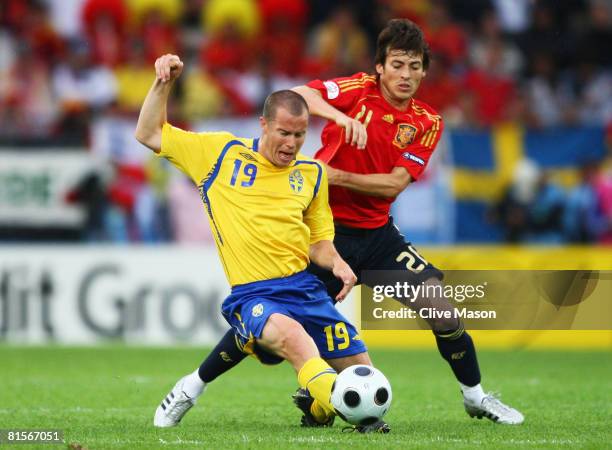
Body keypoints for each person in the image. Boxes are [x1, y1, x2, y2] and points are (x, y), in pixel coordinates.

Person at [191, 18, 525, 427]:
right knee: (267, 334)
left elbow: (393, 186)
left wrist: (334, 176)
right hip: (324, 236)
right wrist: (339, 117)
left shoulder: (427, 122)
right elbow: (297, 94)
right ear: (380, 67)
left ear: (424, 71)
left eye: (415, 66)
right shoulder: (357, 91)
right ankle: (196, 384)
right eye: (398, 64)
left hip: (379, 238)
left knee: (442, 311)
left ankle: (476, 397)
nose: (406, 75)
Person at [135, 54, 374, 429]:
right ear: (264, 124)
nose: (292, 143)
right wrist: (163, 82)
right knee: (296, 342)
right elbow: (148, 134)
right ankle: (361, 418)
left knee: (365, 376)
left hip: (307, 290)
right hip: (255, 294)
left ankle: (317, 408)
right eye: (284, 133)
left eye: (300, 135)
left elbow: (319, 243)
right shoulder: (221, 154)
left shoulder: (311, 174)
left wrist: (338, 264)